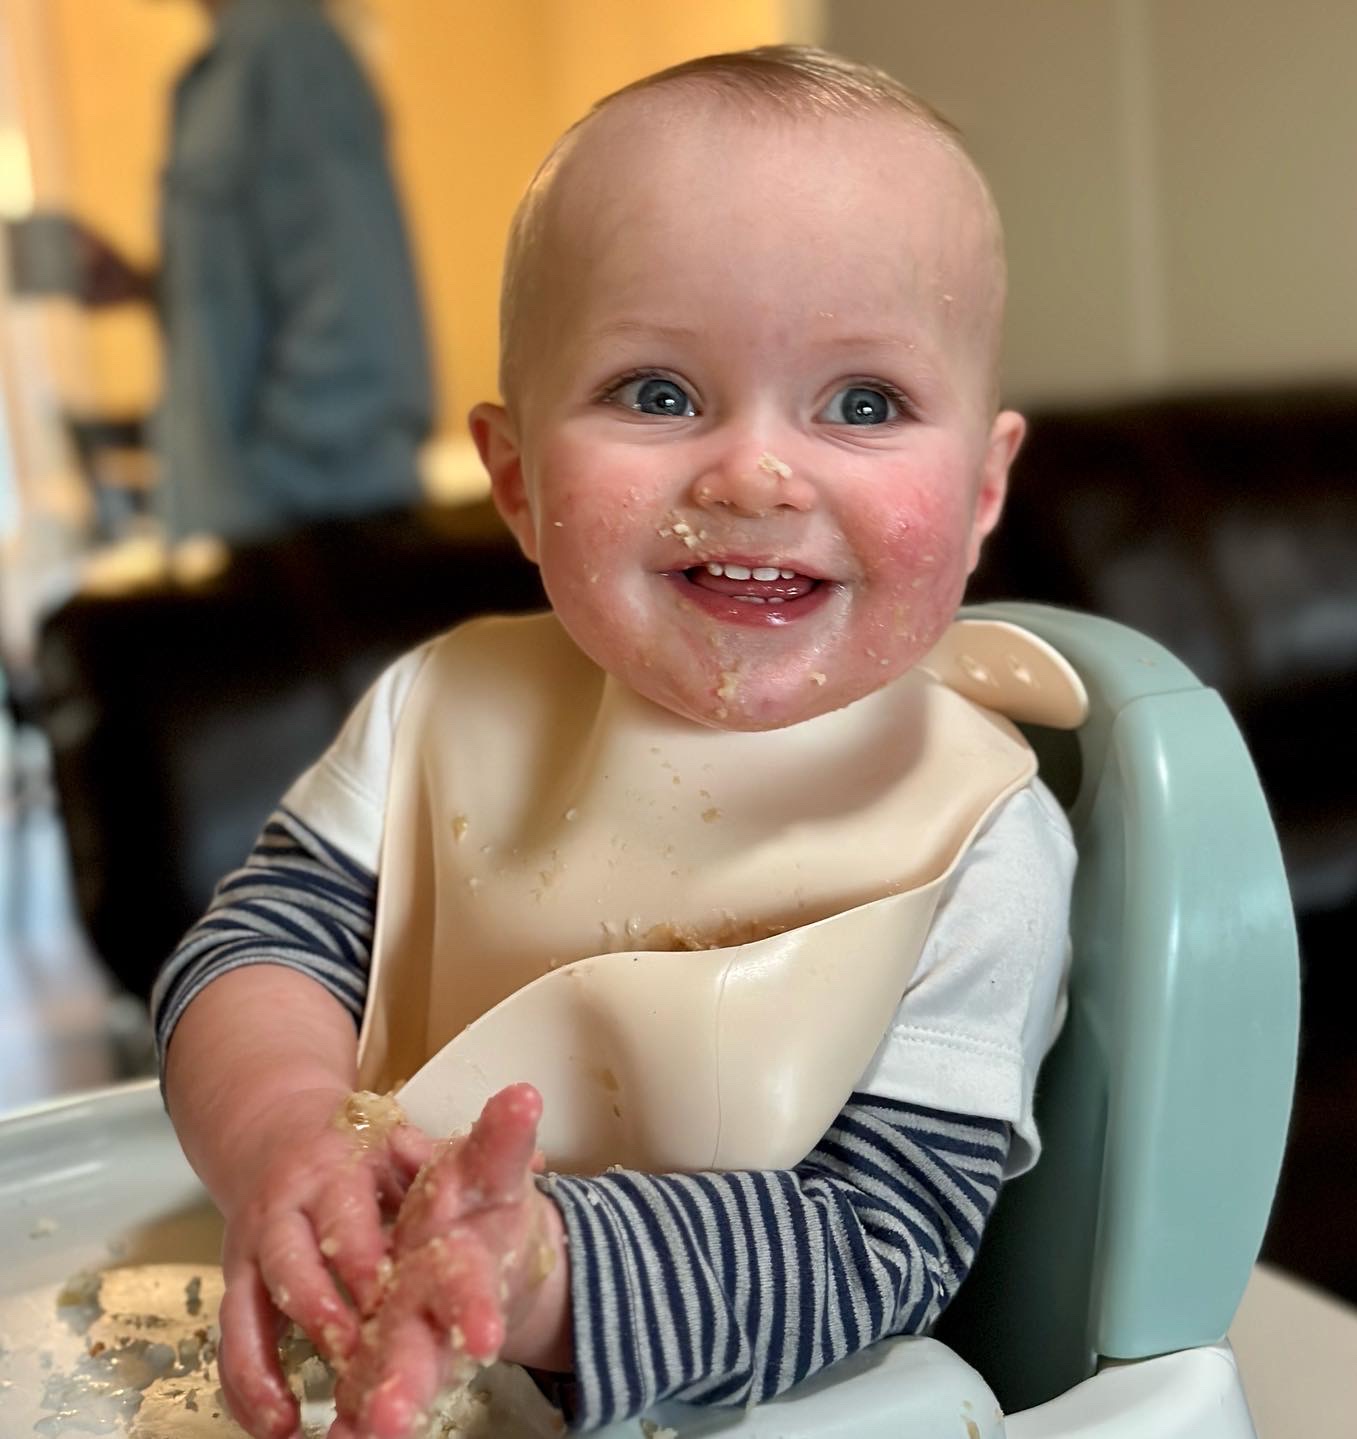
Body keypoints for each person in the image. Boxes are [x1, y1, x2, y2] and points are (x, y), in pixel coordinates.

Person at [152, 45, 1076, 1439]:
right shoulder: (437, 711)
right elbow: (253, 949)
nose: (758, 472)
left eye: (864, 403)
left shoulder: (978, 833)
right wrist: (284, 1131)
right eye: (658, 392)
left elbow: (884, 1235)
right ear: (516, 477)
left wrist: (538, 1273)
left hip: (724, 1391)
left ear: (986, 483)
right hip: (354, 1310)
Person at [11, 0, 432, 542]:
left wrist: (257, 487)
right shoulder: (229, 68)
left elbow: (355, 307)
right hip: (260, 527)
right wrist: (151, 287)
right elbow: (278, 292)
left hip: (304, 533)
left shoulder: (290, 51)